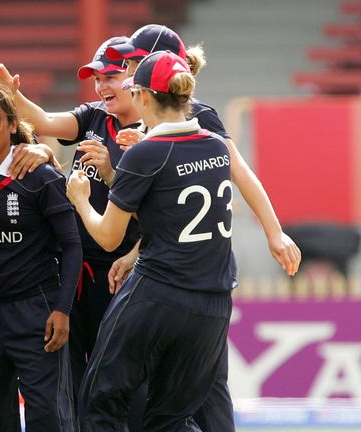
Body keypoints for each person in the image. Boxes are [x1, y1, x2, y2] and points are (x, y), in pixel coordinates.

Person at [104, 24, 302, 431]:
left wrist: (274, 231)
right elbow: (175, 210)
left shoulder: (198, 117)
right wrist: (134, 252)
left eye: (133, 62)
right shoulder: (159, 123)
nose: (125, 72)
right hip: (190, 280)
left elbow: (239, 172)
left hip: (188, 280)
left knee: (206, 389)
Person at [68, 50, 235, 431]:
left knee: (99, 399)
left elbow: (108, 238)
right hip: (213, 302)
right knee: (169, 419)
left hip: (159, 293)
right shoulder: (214, 145)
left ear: (143, 96)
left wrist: (80, 199)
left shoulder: (145, 152)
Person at [0, 37, 143, 401]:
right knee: (75, 380)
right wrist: (13, 97)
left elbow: (159, 211)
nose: (102, 86)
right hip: (77, 272)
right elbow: (46, 121)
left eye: (111, 76)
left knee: (120, 380)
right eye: (97, 78)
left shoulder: (155, 133)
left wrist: (113, 172)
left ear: (134, 76)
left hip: (122, 271)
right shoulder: (95, 117)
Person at [0, 84, 81, 432]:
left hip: (36, 312)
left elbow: (72, 246)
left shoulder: (40, 177)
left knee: (47, 414)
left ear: (12, 124)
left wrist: (62, 310)